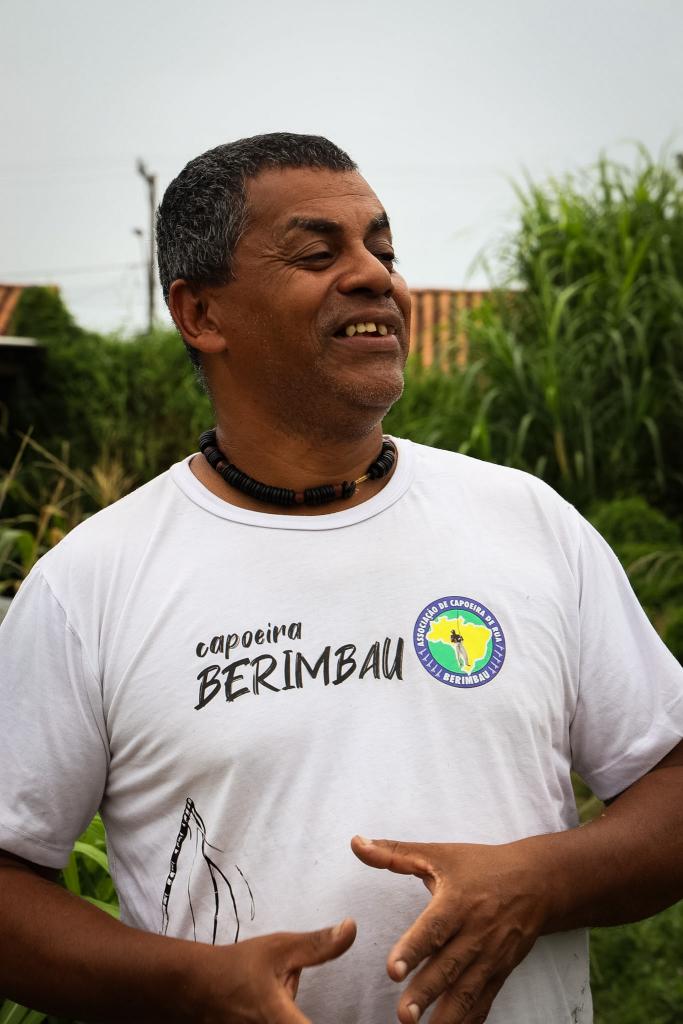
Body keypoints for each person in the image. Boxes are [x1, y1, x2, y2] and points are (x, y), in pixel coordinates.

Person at [0, 132, 681, 1024]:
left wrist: (542, 881)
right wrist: (188, 987)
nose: (375, 277)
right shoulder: (91, 584)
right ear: (201, 314)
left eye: (383, 251)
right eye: (319, 253)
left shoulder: (525, 522)